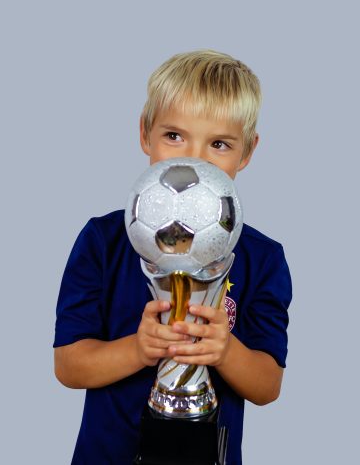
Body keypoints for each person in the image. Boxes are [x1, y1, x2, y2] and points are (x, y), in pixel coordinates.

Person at [54, 49, 292, 465]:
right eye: (174, 136)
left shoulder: (264, 257)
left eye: (219, 143)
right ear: (145, 133)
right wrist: (138, 349)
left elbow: (267, 387)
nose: (193, 160)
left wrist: (226, 352)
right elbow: (69, 367)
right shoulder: (101, 241)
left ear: (247, 153)